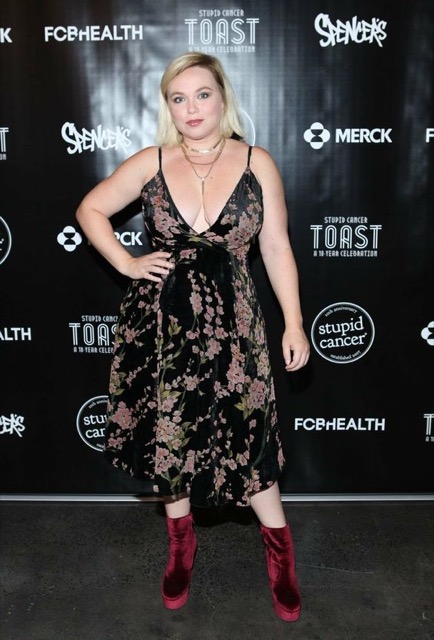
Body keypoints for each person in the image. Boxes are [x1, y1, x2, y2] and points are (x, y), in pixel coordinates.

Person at [75, 51, 310, 622]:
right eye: (178, 99)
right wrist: (129, 264)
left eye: (202, 94)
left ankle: (281, 556)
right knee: (172, 435)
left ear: (222, 96)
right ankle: (180, 548)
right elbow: (90, 210)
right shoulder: (152, 161)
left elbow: (276, 245)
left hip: (236, 328)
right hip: (162, 327)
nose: (191, 108)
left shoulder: (257, 162)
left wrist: (294, 320)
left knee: (250, 438)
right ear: (169, 107)